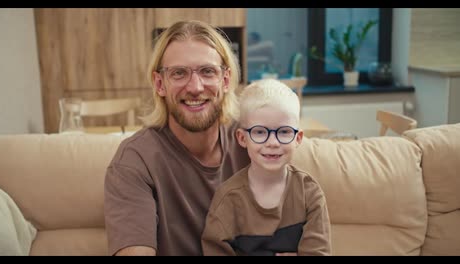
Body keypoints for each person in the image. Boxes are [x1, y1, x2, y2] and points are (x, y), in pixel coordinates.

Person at [103, 20, 250, 256]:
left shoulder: (253, 143)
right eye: (179, 73)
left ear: (225, 80)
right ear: (160, 84)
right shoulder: (134, 162)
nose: (195, 87)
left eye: (207, 71)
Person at [201, 79, 332, 256]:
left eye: (284, 131)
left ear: (298, 138)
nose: (272, 142)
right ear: (242, 138)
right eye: (260, 132)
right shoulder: (228, 199)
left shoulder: (309, 193)